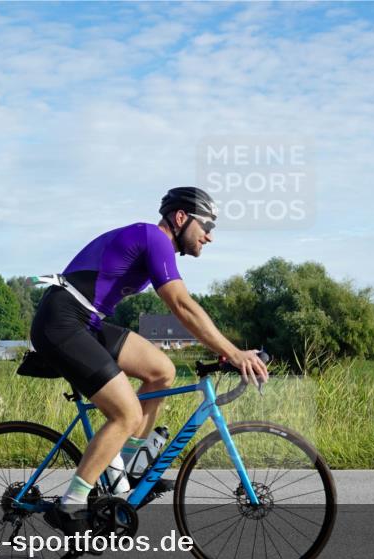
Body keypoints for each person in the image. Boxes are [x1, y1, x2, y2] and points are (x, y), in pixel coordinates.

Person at [29, 187, 269, 535]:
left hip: (86, 321)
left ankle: (129, 466)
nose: (210, 236)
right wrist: (232, 352)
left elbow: (184, 309)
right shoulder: (153, 238)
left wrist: (224, 350)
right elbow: (182, 306)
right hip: (61, 322)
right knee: (125, 412)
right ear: (181, 218)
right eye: (207, 225)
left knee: (162, 370)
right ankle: (72, 503)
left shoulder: (157, 246)